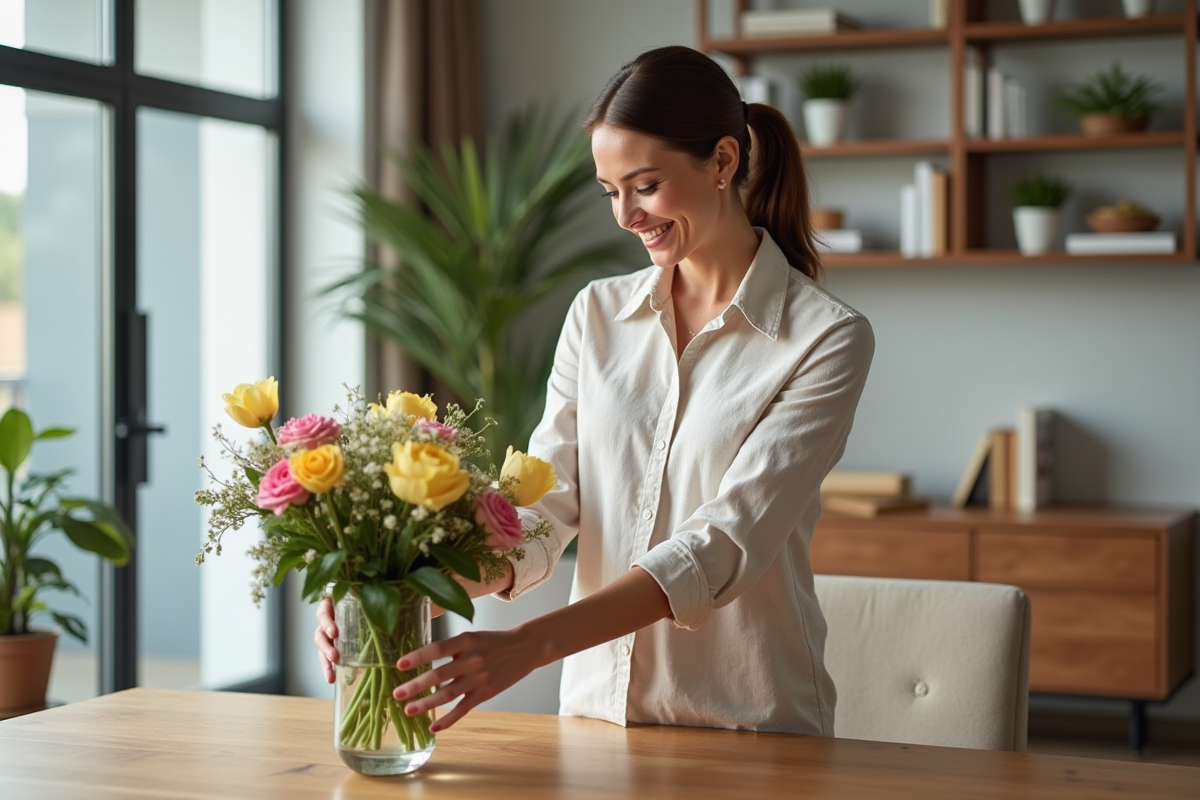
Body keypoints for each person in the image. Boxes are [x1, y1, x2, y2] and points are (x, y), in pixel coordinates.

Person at [315, 45, 874, 736]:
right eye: (611, 192)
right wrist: (408, 589)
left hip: (747, 725)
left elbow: (723, 544)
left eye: (644, 185)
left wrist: (529, 645)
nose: (626, 216)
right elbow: (545, 507)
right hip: (596, 721)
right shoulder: (597, 314)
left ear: (723, 162)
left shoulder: (825, 338)